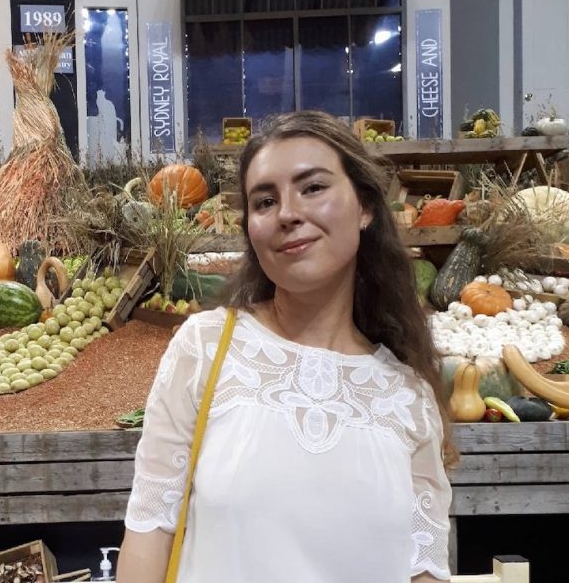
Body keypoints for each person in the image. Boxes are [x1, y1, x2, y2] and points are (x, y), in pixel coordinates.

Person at [117, 111, 455, 583]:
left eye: (313, 188)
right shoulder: (205, 349)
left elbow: (424, 570)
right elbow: (150, 535)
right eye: (265, 201)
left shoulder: (408, 398)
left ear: (365, 207)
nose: (288, 213)